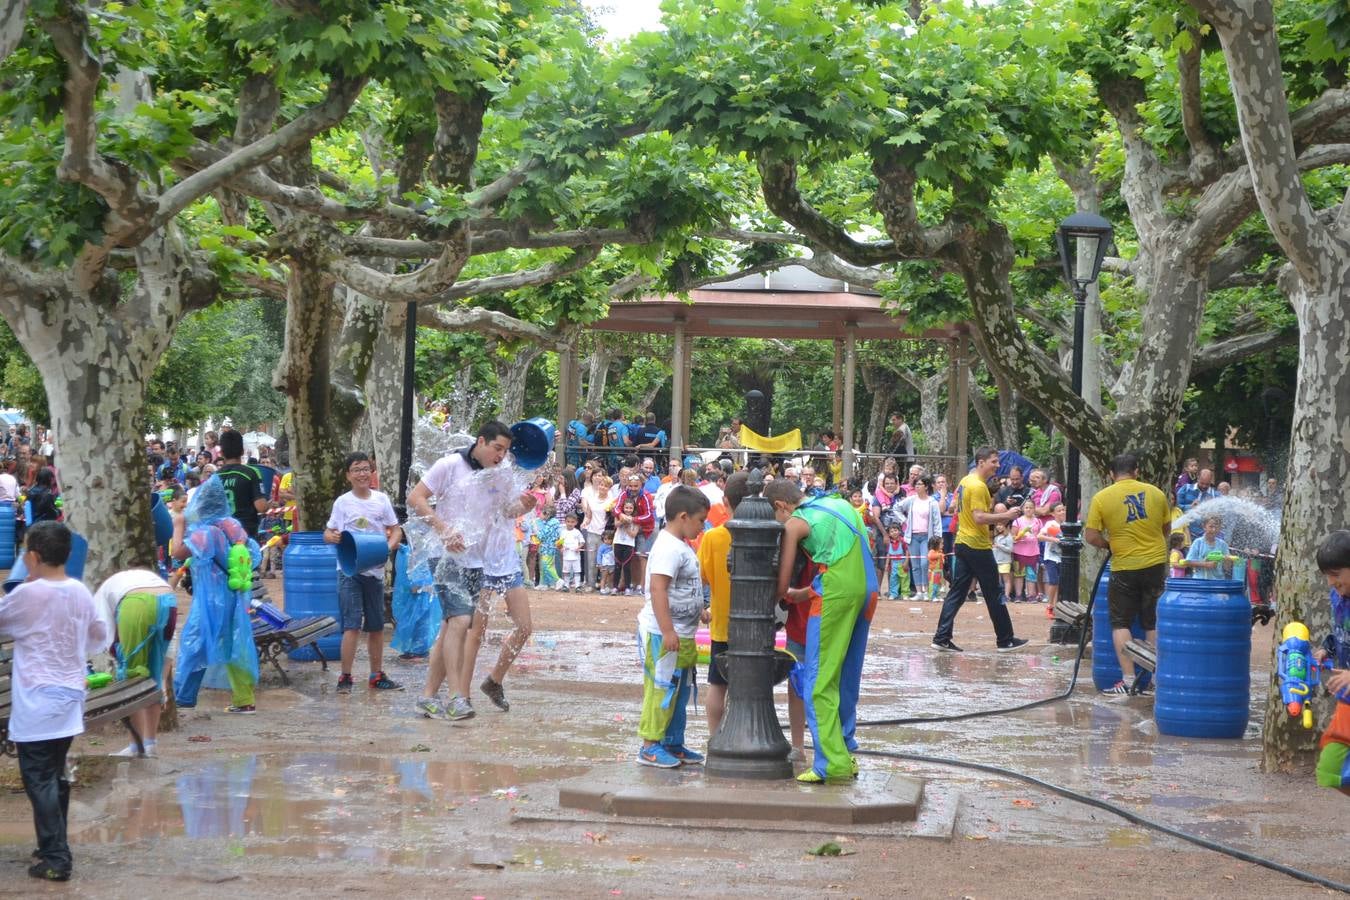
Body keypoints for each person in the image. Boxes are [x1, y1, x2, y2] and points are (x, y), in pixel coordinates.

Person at [0, 522, 108, 882]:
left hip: (37, 702)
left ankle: (56, 858)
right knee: (54, 776)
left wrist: (24, 588)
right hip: (69, 699)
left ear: (32, 556)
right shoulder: (79, 590)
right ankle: (51, 845)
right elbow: (97, 638)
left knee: (40, 780)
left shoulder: (28, 595)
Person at [411, 421, 532, 721]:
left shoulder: (498, 474)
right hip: (445, 555)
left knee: (453, 626)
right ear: (481, 442)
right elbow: (416, 498)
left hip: (477, 560)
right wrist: (443, 529)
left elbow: (505, 511)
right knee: (461, 621)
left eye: (506, 451)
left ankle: (428, 697)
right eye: (497, 448)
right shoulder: (450, 464)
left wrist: (524, 507)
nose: (502, 456)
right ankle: (456, 698)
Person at [767, 480, 875, 783]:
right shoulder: (840, 503)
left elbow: (781, 581)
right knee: (846, 675)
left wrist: (773, 597)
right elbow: (844, 554)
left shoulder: (796, 522)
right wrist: (806, 592)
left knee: (818, 680)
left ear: (780, 506)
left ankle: (830, 763)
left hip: (835, 595)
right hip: (867, 591)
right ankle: (845, 749)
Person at [172, 477, 263, 714]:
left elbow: (177, 552)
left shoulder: (207, 533)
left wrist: (178, 523)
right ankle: (244, 700)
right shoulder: (234, 527)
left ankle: (183, 697)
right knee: (236, 646)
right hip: (235, 597)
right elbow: (253, 556)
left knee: (194, 644)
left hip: (211, 602)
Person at [1084, 453, 1171, 696]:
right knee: (1152, 621)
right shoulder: (1156, 493)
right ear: (1137, 470)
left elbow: (1091, 536)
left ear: (1111, 474)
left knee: (1121, 622)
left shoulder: (1102, 498)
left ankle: (1128, 678)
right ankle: (1154, 680)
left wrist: (1109, 544)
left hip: (1123, 567)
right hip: (1154, 564)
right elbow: (1166, 529)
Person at [636, 486, 711, 767]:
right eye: (700, 520)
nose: (702, 527)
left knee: (679, 690)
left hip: (683, 633)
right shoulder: (668, 547)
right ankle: (650, 745)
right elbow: (658, 589)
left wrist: (699, 611)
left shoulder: (681, 545)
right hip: (663, 633)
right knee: (662, 688)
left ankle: (672, 742)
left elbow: (682, 587)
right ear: (683, 516)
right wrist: (667, 630)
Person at [931, 447, 1029, 653]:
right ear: (981, 462)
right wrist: (1006, 516)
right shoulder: (977, 486)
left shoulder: (965, 481)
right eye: (993, 461)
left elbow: (960, 511)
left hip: (964, 543)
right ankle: (1005, 639)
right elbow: (979, 517)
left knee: (957, 592)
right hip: (977, 545)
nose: (998, 465)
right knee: (994, 592)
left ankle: (941, 637)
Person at [323, 452, 403, 694]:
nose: (362, 473)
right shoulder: (342, 502)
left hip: (375, 572)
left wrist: (387, 549)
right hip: (349, 571)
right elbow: (328, 533)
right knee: (352, 625)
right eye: (356, 469)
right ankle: (345, 676)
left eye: (366, 469)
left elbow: (396, 530)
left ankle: (376, 675)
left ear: (372, 472)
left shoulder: (381, 500)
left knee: (376, 625)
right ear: (348, 475)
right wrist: (333, 536)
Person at [93, 568, 177, 758]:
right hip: (169, 601)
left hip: (136, 603)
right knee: (153, 680)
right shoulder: (115, 586)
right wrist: (163, 679)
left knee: (132, 679)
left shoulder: (98, 602)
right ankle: (150, 744)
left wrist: (120, 661)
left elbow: (105, 640)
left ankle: (136, 747)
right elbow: (171, 643)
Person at [697, 471, 748, 737]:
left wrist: (701, 609)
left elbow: (701, 578)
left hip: (722, 623)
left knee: (717, 684)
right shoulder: (768, 533)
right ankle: (740, 732)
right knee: (747, 685)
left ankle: (714, 736)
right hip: (754, 625)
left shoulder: (714, 537)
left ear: (725, 501)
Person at [1313, 531, 1350, 795]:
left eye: (1336, 574)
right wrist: (1326, 649)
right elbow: (1340, 632)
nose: (1330, 582)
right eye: (1327, 575)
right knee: (1331, 770)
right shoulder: (1339, 597)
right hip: (1347, 702)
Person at [894, 475, 941, 603]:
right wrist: (904, 521)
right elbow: (896, 508)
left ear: (926, 486)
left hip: (927, 536)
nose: (917, 486)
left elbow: (937, 521)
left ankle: (926, 591)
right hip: (913, 536)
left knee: (925, 563)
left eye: (920, 484)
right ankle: (919, 592)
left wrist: (938, 538)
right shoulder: (911, 500)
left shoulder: (933, 502)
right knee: (915, 565)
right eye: (916, 484)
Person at [214, 429, 268, 539]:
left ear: (222, 453)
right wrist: (269, 504)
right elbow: (261, 507)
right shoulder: (251, 473)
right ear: (242, 451)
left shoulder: (214, 477)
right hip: (245, 534)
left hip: (222, 535)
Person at [1183, 514, 1234, 580]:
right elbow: (1188, 562)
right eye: (1211, 527)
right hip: (1200, 581)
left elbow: (1227, 568)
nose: (1214, 530)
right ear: (1204, 527)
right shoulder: (1198, 542)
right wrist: (1205, 564)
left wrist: (1228, 561)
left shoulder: (1223, 544)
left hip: (1218, 581)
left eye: (1217, 527)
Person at [1011, 499, 1041, 602]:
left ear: (1034, 509)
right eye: (1026, 507)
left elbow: (1040, 535)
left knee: (1031, 574)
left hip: (1033, 551)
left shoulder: (1038, 521)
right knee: (1019, 573)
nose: (1028, 509)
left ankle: (1031, 595)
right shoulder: (1018, 521)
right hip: (1019, 551)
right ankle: (1018, 595)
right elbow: (1013, 537)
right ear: (1023, 509)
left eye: (1031, 507)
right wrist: (1022, 534)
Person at [613, 498, 639, 594]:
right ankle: (615, 587)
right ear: (623, 508)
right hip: (618, 543)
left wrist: (628, 526)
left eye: (630, 508)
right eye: (626, 507)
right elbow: (616, 525)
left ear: (633, 509)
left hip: (629, 544)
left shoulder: (636, 519)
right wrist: (623, 520)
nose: (628, 510)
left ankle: (628, 587)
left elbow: (633, 534)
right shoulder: (618, 515)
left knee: (627, 566)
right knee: (617, 565)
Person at [560, 512, 584, 590]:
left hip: (576, 556)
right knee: (566, 571)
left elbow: (582, 542)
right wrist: (561, 548)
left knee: (576, 571)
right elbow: (560, 543)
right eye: (568, 521)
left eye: (572, 522)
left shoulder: (577, 532)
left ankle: (577, 585)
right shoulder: (563, 532)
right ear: (565, 522)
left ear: (576, 523)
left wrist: (578, 547)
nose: (570, 524)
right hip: (566, 556)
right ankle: (566, 585)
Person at [596, 529, 617, 595]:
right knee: (603, 577)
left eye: (609, 539)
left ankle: (608, 588)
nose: (607, 541)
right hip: (605, 565)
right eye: (605, 539)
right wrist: (599, 564)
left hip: (612, 564)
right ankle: (602, 588)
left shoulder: (613, 546)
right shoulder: (602, 547)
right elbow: (599, 555)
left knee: (611, 578)